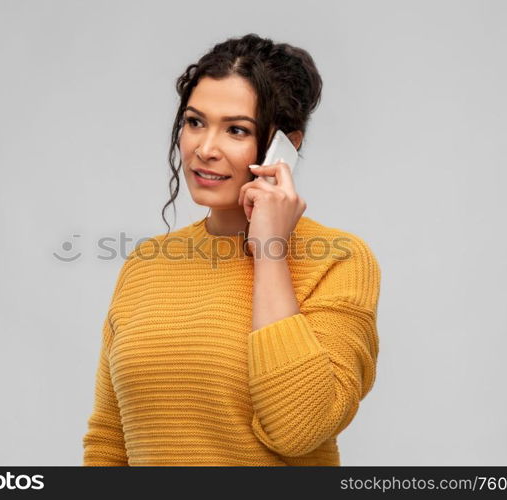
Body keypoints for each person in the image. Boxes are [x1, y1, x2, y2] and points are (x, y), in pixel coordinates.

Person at [82, 33, 381, 466]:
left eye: (236, 130)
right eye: (194, 122)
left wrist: (270, 251)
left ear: (286, 147)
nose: (205, 149)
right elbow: (109, 440)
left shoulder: (339, 259)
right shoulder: (145, 265)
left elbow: (300, 428)